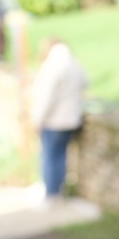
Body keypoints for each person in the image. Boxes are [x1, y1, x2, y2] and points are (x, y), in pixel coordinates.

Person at [29, 37, 89, 203]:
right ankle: (59, 190)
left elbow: (45, 98)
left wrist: (37, 119)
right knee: (61, 156)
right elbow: (86, 83)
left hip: (53, 120)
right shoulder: (74, 64)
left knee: (49, 156)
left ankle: (51, 192)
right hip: (72, 119)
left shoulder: (51, 67)